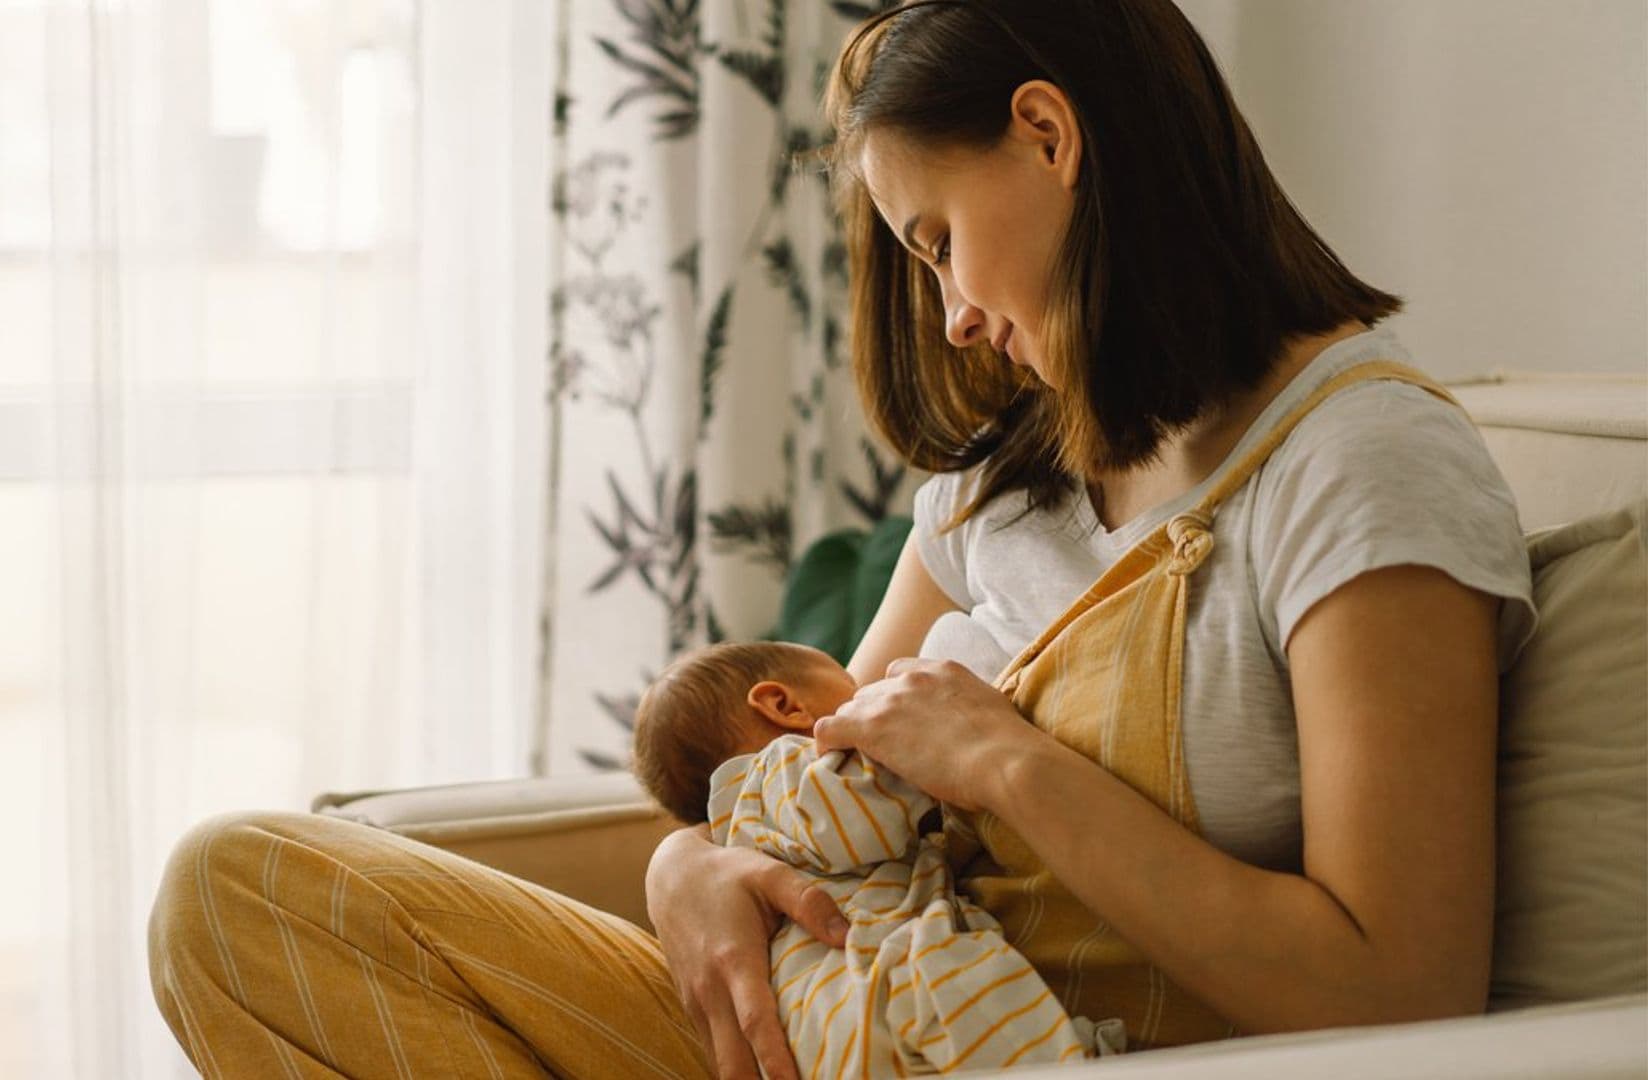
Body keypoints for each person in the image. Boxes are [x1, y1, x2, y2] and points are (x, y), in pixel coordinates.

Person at [145, 2, 1535, 1077]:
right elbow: (811, 792)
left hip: (1036, 1047)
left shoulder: (1360, 464)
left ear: (1050, 137)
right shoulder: (1014, 483)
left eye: (937, 243)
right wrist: (684, 868)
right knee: (239, 894)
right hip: (845, 1026)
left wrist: (1011, 764)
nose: (952, 319)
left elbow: (1400, 987)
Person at [630, 639, 1116, 1074]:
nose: (872, 694)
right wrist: (931, 745)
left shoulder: (746, 826)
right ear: (783, 705)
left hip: (831, 1015)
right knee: (979, 1013)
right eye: (854, 684)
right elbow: (856, 818)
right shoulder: (780, 771)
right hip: (880, 978)